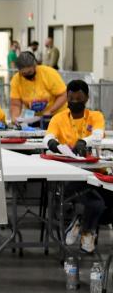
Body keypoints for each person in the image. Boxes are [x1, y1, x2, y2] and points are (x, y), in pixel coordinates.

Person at [44, 80, 106, 253]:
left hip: (94, 172)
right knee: (97, 204)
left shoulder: (95, 116)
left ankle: (81, 221)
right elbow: (47, 136)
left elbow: (98, 134)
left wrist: (83, 141)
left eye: (79, 99)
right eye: (71, 99)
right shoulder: (59, 118)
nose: (74, 102)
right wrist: (52, 143)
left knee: (106, 203)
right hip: (69, 174)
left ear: (86, 98)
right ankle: (87, 230)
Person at [9, 51, 67, 123]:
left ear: (35, 66)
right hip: (36, 118)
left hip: (58, 115)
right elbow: (16, 104)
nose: (27, 75)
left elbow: (63, 95)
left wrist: (50, 111)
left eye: (30, 72)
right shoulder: (16, 80)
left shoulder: (48, 73)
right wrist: (15, 118)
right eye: (24, 73)